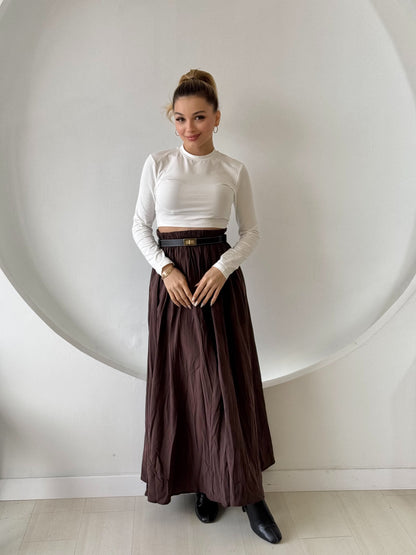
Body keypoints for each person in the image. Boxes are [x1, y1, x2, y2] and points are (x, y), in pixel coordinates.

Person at [131, 69, 282, 544]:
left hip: (218, 281)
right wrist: (166, 269)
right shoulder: (158, 163)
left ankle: (250, 496)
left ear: (217, 117)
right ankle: (205, 483)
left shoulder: (233, 169)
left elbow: (251, 232)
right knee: (185, 382)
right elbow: (139, 226)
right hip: (173, 283)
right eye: (180, 118)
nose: (189, 127)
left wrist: (222, 268)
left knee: (224, 383)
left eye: (199, 117)